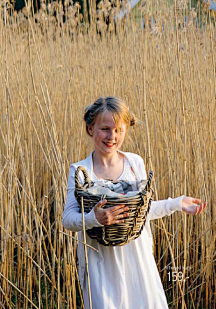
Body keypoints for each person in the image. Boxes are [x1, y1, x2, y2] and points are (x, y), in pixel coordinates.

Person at [62, 97, 207, 309]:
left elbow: (142, 211)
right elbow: (68, 219)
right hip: (100, 262)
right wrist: (94, 218)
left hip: (137, 259)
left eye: (119, 130)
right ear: (90, 129)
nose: (112, 136)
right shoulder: (80, 171)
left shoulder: (134, 162)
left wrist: (177, 203)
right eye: (105, 128)